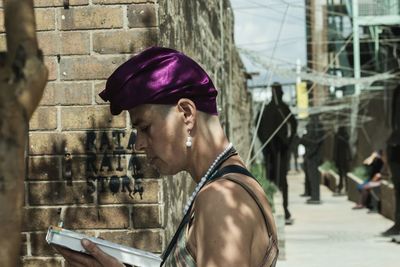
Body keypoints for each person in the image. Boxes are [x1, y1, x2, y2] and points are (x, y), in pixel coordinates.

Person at [53, 47, 279, 267]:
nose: (138, 144)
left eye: (145, 127)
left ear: (187, 114)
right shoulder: (233, 184)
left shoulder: (221, 198)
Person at [257, 82, 298, 225]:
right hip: (272, 152)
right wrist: (267, 143)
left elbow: (294, 124)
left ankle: (283, 210)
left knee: (278, 180)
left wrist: (287, 142)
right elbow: (258, 127)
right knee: (274, 179)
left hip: (279, 150)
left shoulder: (280, 109)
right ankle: (273, 211)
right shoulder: (270, 109)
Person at [332, 126, 352, 195]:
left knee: (346, 173)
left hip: (344, 158)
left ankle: (347, 188)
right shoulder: (337, 136)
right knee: (340, 173)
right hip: (339, 157)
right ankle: (340, 187)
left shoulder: (345, 136)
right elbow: (335, 148)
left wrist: (349, 157)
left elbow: (347, 144)